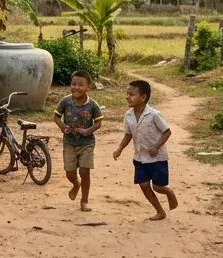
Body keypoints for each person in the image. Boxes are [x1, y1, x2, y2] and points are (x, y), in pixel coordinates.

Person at [112, 79, 179, 221]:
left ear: (143, 97)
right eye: (127, 94)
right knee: (143, 185)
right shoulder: (128, 115)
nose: (127, 97)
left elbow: (167, 132)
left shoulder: (154, 114)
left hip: (157, 158)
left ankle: (168, 192)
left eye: (131, 94)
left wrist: (156, 146)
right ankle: (160, 211)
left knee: (158, 187)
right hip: (140, 158)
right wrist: (119, 149)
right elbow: (128, 135)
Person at [55, 70, 103, 212]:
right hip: (69, 143)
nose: (76, 87)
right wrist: (63, 128)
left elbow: (99, 122)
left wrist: (88, 131)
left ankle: (84, 201)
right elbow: (56, 117)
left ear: (88, 87)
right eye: (73, 84)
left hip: (87, 143)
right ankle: (76, 184)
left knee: (84, 172)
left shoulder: (93, 105)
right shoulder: (65, 101)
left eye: (81, 85)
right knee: (70, 173)